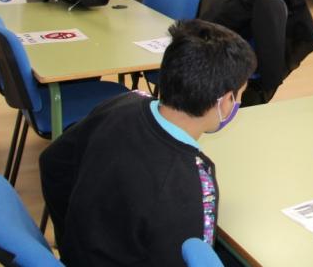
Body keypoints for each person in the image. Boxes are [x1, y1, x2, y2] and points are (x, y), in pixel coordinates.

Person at [40, 20, 255, 266]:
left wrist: (71, 240)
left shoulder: (122, 103)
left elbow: (52, 162)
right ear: (225, 100)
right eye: (240, 94)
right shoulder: (192, 183)